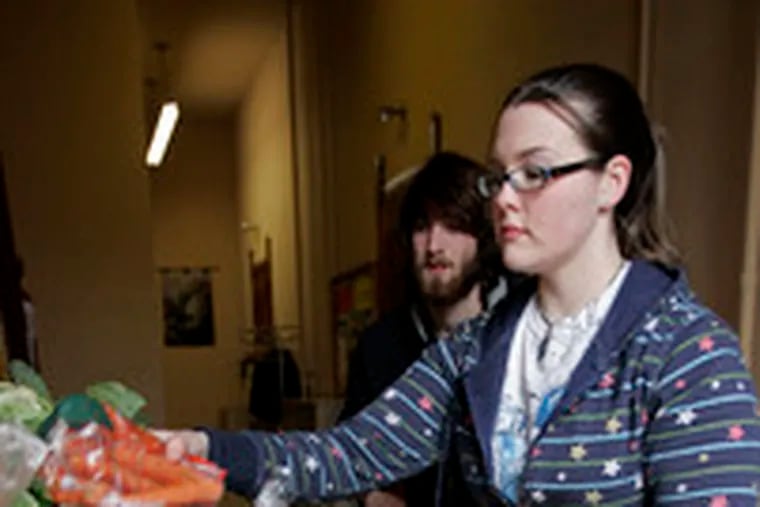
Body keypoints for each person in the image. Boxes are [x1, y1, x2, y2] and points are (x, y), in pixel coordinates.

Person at [166, 63, 760, 506]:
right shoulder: (477, 348)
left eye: (535, 172)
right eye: (499, 176)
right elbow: (350, 453)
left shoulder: (687, 354)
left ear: (612, 182)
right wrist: (204, 449)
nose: (504, 198)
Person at [339, 151, 508, 506]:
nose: (434, 246)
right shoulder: (379, 348)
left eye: (453, 226)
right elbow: (349, 454)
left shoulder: (522, 328)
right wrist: (372, 496)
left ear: (483, 235)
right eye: (421, 228)